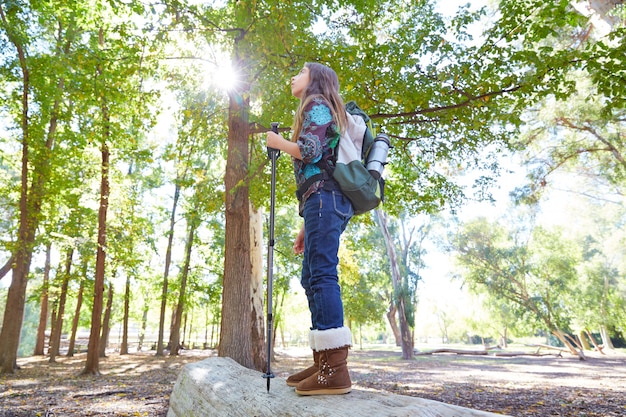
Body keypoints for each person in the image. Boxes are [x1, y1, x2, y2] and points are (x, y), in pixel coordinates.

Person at [266, 62, 353, 395]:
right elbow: (319, 161)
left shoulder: (317, 103)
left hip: (324, 200)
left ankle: (335, 369)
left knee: (322, 275)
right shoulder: (320, 107)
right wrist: (306, 222)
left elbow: (311, 151)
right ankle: (323, 361)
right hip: (322, 203)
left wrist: (277, 142)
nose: (293, 77)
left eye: (300, 72)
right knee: (311, 276)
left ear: (314, 80)